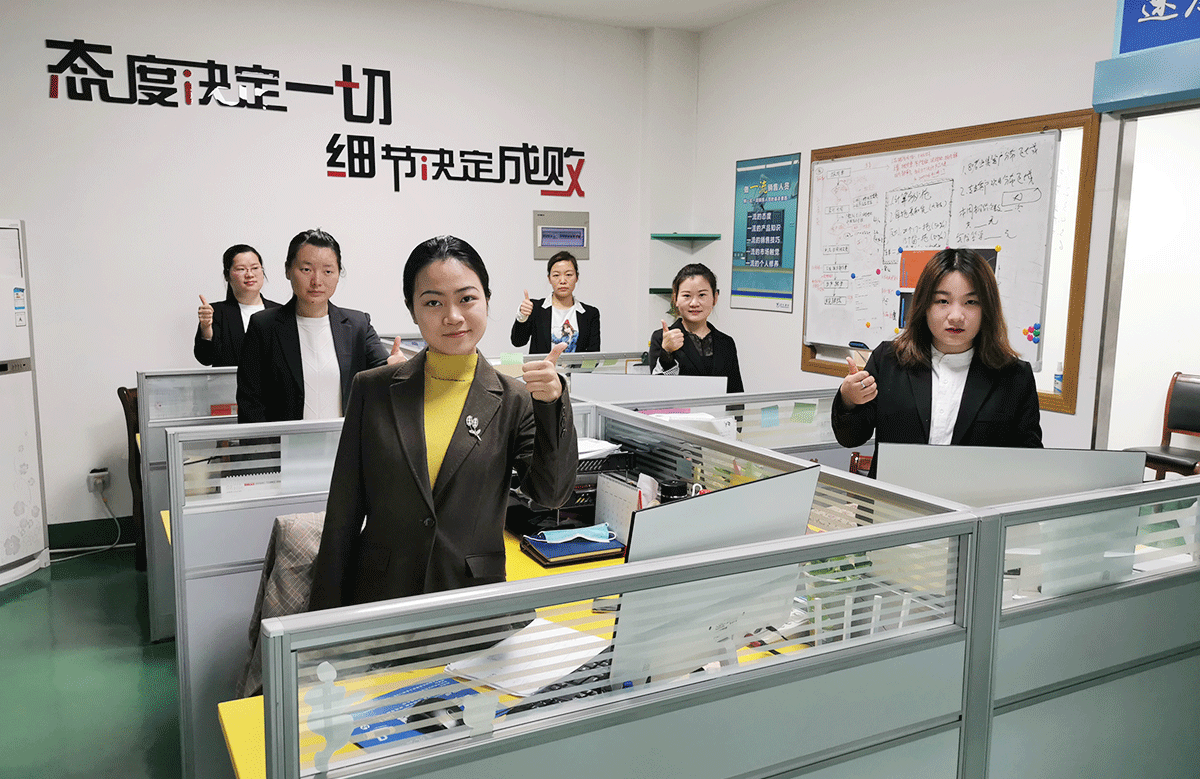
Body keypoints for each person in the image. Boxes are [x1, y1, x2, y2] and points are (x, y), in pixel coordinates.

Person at [308, 235, 578, 609]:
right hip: (383, 598)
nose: (452, 316)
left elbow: (552, 494)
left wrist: (551, 404)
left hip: (472, 599)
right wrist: (322, 623)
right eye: (433, 302)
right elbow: (343, 515)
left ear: (487, 300)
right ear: (412, 309)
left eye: (467, 299)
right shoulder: (373, 390)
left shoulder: (514, 399)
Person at [831, 247, 1043, 478]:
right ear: (924, 306)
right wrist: (849, 399)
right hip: (892, 497)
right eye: (943, 301)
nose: (956, 316)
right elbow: (850, 437)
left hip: (970, 500)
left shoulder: (1014, 377)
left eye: (971, 302)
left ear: (987, 309)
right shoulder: (889, 360)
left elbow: (1028, 462)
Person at [236, 229, 402, 423]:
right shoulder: (263, 326)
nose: (317, 281)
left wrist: (396, 368)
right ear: (288, 270)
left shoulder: (358, 325)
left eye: (328, 271)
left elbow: (383, 369)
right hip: (284, 441)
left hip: (344, 440)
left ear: (338, 274)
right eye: (306, 270)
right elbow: (250, 402)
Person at [647, 262, 744, 393]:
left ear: (715, 298)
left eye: (702, 295)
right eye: (687, 296)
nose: (694, 303)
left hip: (719, 407)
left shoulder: (726, 343)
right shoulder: (662, 338)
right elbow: (657, 390)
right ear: (675, 299)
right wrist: (667, 353)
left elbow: (736, 394)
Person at [194, 244, 281, 367]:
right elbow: (206, 359)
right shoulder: (217, 313)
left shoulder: (281, 312)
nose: (249, 274)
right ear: (227, 275)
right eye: (241, 269)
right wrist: (206, 329)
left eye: (255, 268)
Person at [510, 250, 601, 353]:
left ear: (576, 278)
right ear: (549, 279)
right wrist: (522, 317)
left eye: (568, 274)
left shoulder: (590, 314)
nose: (562, 281)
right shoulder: (535, 308)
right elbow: (517, 342)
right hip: (542, 364)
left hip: (575, 365)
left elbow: (593, 355)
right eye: (556, 275)